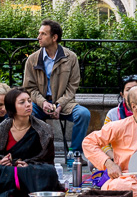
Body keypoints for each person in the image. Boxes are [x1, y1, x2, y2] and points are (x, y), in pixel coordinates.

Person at [0, 88, 63, 197]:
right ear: (12, 107)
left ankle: (9, 188)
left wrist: (28, 165)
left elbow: (48, 161)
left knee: (49, 172)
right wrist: (0, 162)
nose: (28, 105)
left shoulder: (44, 130)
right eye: (22, 102)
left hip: (29, 173)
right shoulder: (1, 129)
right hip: (8, 171)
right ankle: (16, 186)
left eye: (29, 101)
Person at [23, 19, 92, 154]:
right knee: (24, 113)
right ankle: (34, 153)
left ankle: (76, 153)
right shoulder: (32, 59)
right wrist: (43, 103)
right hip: (39, 104)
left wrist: (60, 104)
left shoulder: (71, 58)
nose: (39, 37)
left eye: (43, 34)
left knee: (83, 114)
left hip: (64, 103)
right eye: (39, 33)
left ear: (54, 37)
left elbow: (72, 87)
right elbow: (29, 88)